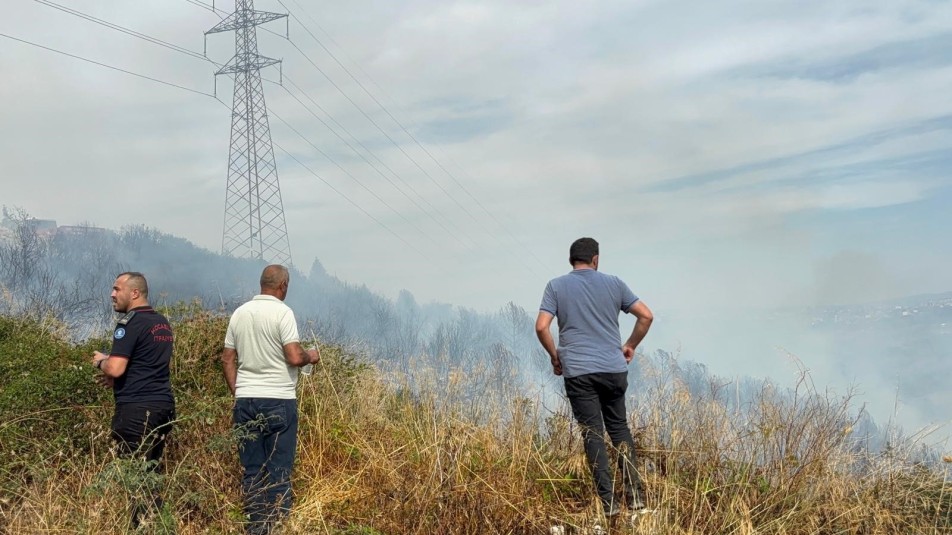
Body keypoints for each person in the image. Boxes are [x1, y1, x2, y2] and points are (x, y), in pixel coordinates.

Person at [535, 237, 654, 517]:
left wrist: (555, 356)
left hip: (578, 373)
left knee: (593, 435)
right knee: (619, 429)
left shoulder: (555, 286)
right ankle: (635, 498)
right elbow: (646, 316)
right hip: (613, 369)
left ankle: (609, 505)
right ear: (596, 259)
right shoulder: (614, 283)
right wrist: (630, 346)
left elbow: (542, 327)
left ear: (571, 261)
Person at [221, 264, 320, 534]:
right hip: (279, 399)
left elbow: (228, 358)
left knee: (253, 469)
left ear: (261, 283)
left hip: (246, 401)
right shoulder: (283, 313)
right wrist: (311, 355)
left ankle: (256, 528)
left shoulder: (240, 314)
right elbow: (294, 356)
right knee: (278, 470)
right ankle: (277, 527)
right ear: (283, 285)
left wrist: (238, 391)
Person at [91, 271, 176, 527]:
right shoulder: (161, 322)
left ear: (135, 293)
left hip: (136, 410)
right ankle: (156, 526)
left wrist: (101, 362)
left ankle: (149, 528)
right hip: (163, 407)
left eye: (117, 289)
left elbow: (116, 368)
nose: (112, 294)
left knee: (136, 480)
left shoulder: (130, 323)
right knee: (150, 475)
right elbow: (145, 363)